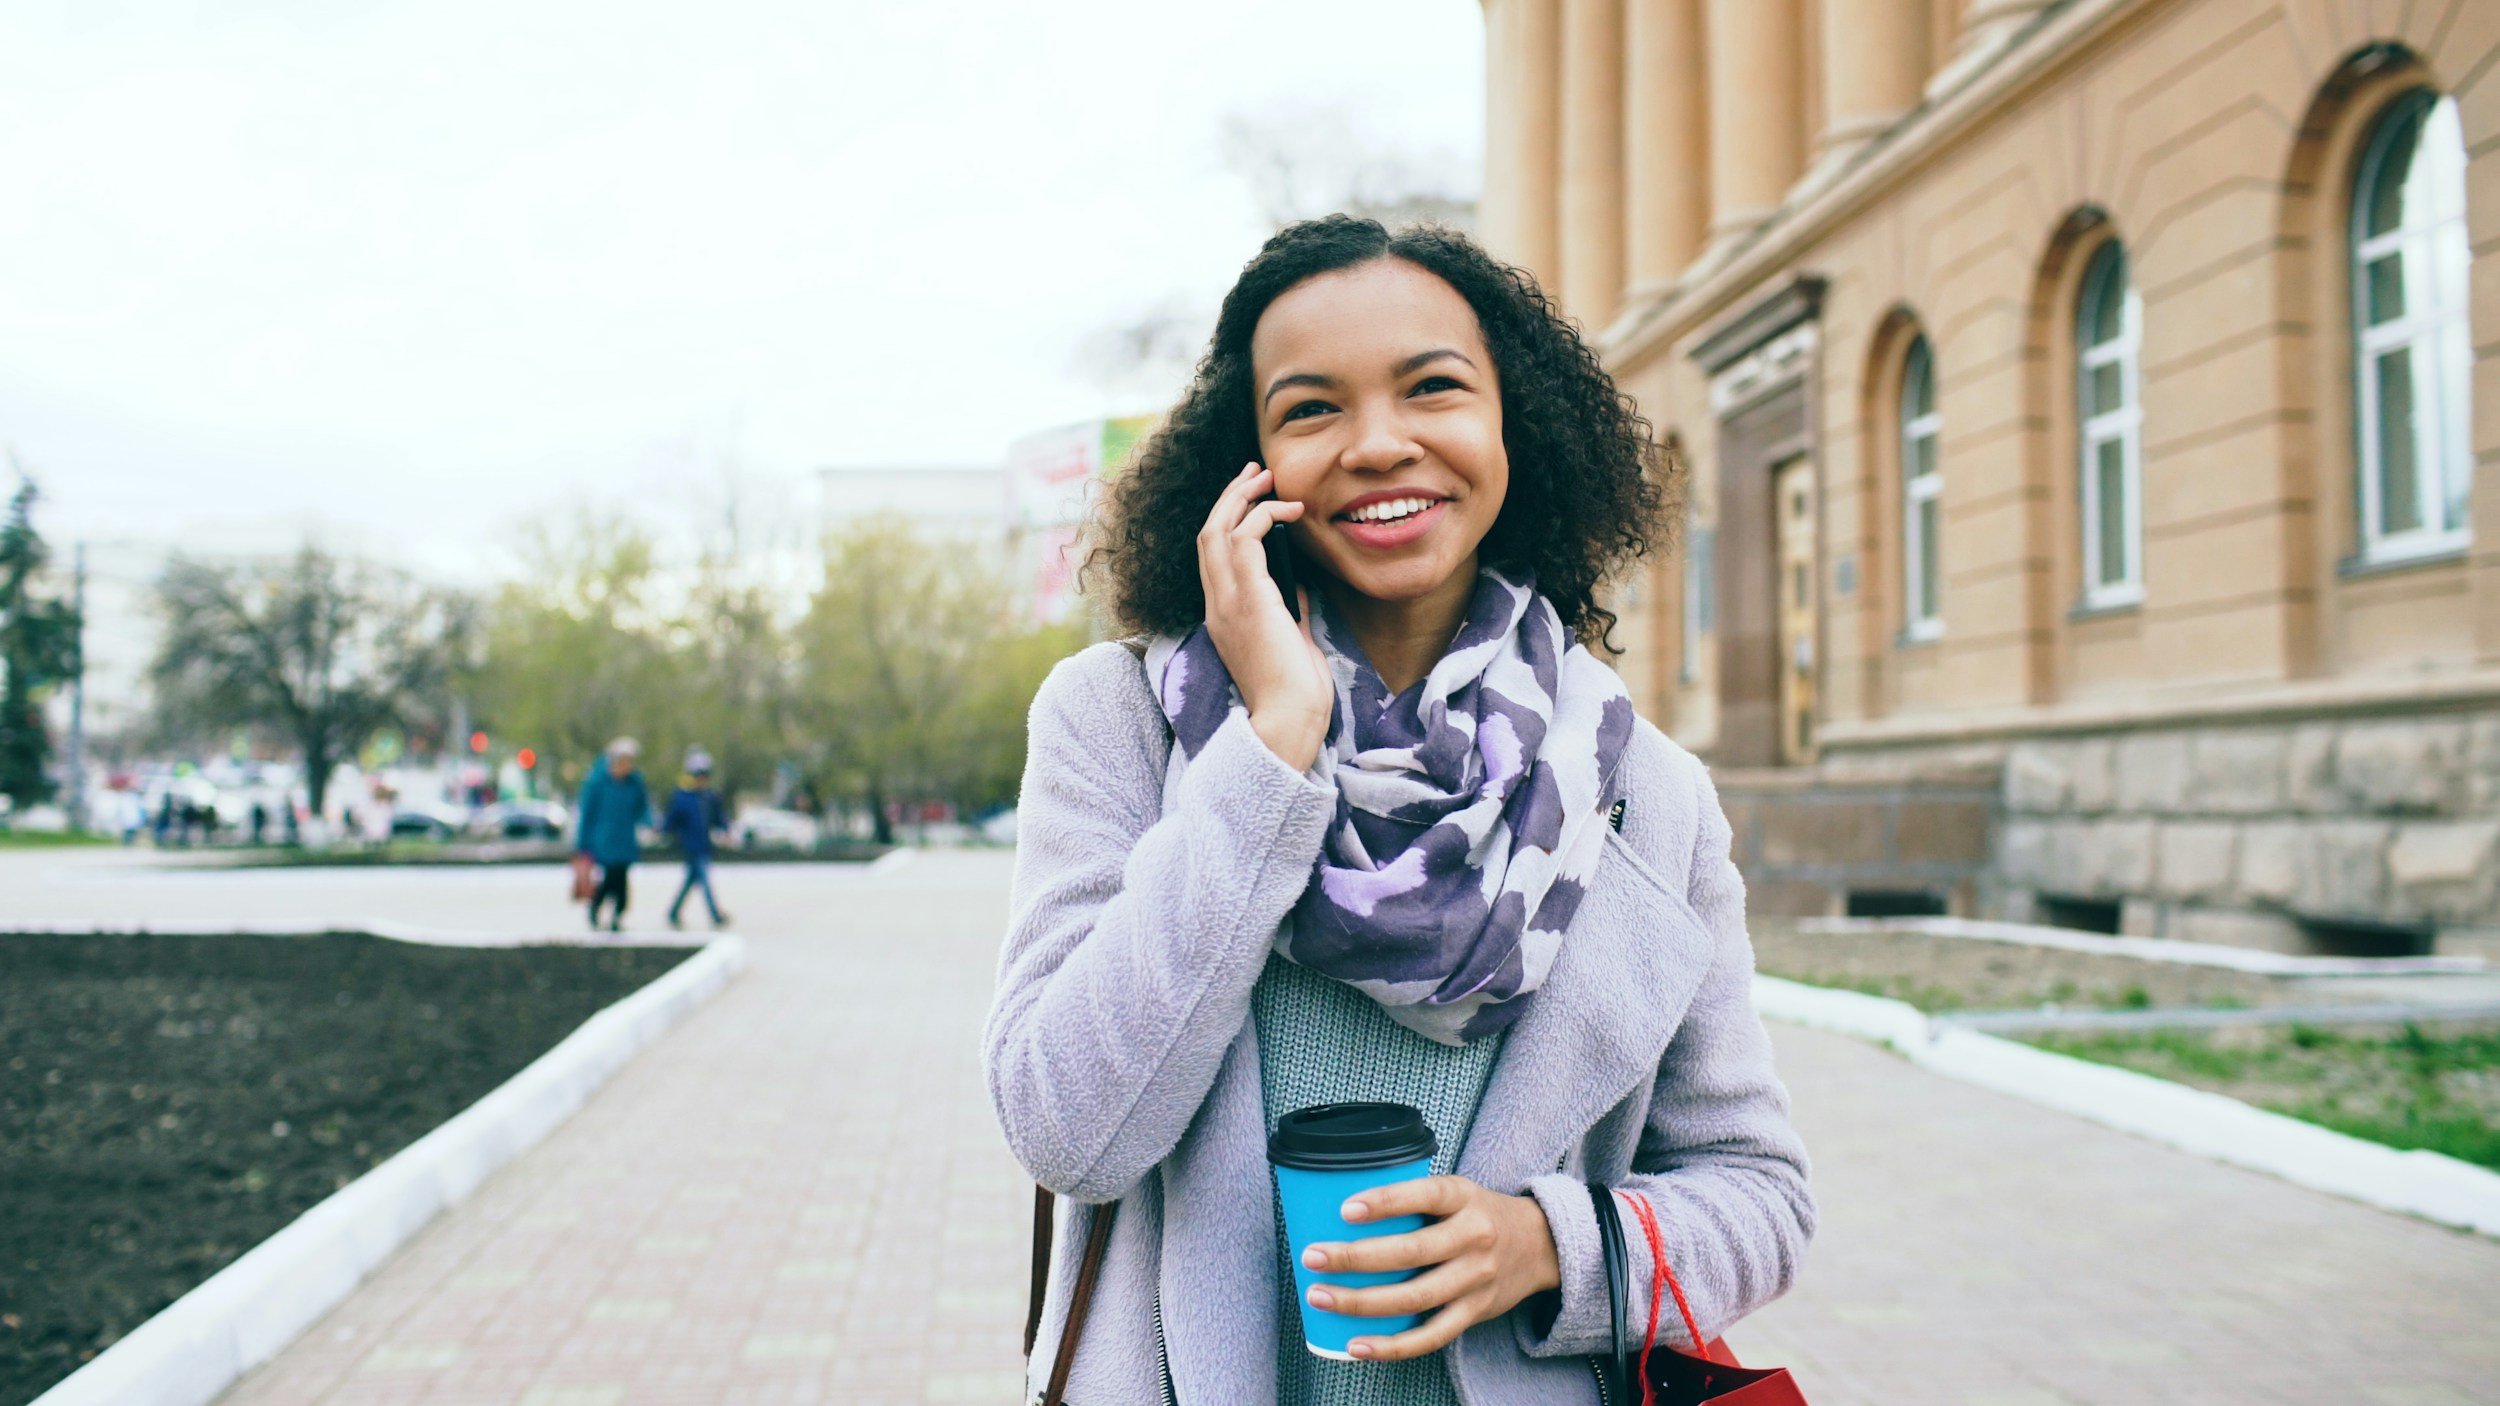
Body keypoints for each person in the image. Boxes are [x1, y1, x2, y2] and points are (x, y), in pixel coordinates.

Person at [984, 217, 1813, 1404]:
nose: (1378, 443)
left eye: (1433, 388)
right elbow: (1068, 1129)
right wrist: (1272, 740)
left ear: (1511, 424)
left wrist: (1542, 1244)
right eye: (1311, 409)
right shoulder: (1126, 722)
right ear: (1249, 461)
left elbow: (1760, 1192)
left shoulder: (1642, 792)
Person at [575, 736, 652, 933]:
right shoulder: (597, 783)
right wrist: (583, 844)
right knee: (611, 878)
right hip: (604, 840)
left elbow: (642, 808)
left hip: (625, 839)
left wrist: (649, 824)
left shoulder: (634, 783)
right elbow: (587, 814)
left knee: (621, 878)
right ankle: (596, 908)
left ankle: (617, 915)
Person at [661, 748, 731, 930]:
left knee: (690, 881)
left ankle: (673, 912)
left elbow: (719, 818)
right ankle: (715, 916)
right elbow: (672, 819)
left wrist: (725, 830)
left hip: (704, 846)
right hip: (690, 847)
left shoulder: (709, 797)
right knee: (705, 881)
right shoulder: (683, 797)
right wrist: (663, 831)